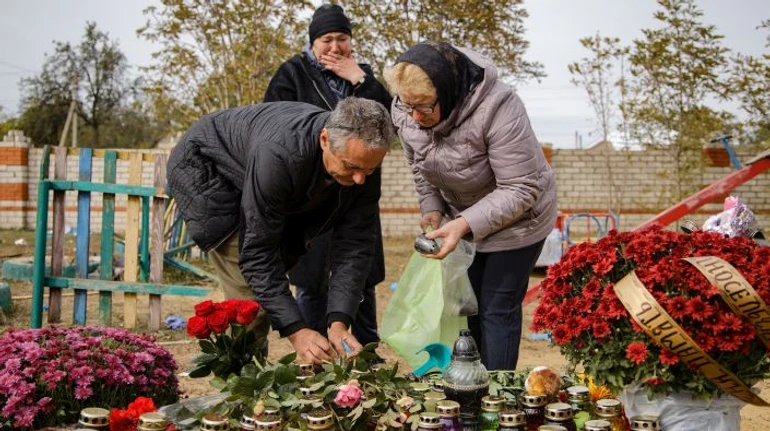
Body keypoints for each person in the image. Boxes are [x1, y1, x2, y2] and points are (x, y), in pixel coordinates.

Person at [166, 97, 395, 364]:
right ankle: (244, 391)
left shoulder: (363, 158)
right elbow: (257, 254)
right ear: (325, 140)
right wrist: (297, 331)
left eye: (369, 170)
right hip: (209, 172)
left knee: (271, 279)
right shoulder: (280, 153)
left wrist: (338, 321)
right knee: (250, 303)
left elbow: (355, 245)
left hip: (263, 174)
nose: (360, 179)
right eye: (352, 167)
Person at [383, 42, 557, 371]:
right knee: (468, 306)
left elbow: (522, 187)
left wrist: (462, 224)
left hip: (520, 221)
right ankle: (468, 386)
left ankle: (497, 396)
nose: (416, 118)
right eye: (408, 108)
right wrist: (432, 206)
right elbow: (419, 166)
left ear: (448, 93)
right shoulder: (406, 110)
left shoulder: (498, 107)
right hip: (463, 221)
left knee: (496, 306)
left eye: (424, 107)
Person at [263, 3, 392, 346]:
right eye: (326, 40)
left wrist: (360, 79)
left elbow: (388, 121)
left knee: (358, 275)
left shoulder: (362, 77)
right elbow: (276, 124)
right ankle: (316, 355)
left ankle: (365, 358)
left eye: (342, 39)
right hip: (312, 192)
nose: (335, 47)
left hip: (356, 191)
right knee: (312, 281)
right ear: (312, 43)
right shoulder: (291, 74)